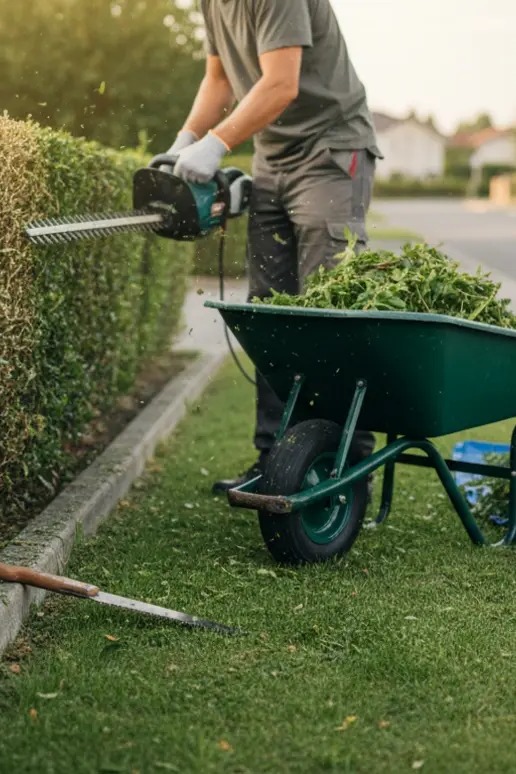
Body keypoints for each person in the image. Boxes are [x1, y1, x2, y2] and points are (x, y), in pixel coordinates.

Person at [163, 0, 381, 493]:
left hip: (331, 149)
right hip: (274, 158)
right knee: (270, 313)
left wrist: (217, 143)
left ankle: (345, 464)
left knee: (329, 305)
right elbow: (219, 78)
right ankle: (274, 459)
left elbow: (282, 83)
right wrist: (187, 137)